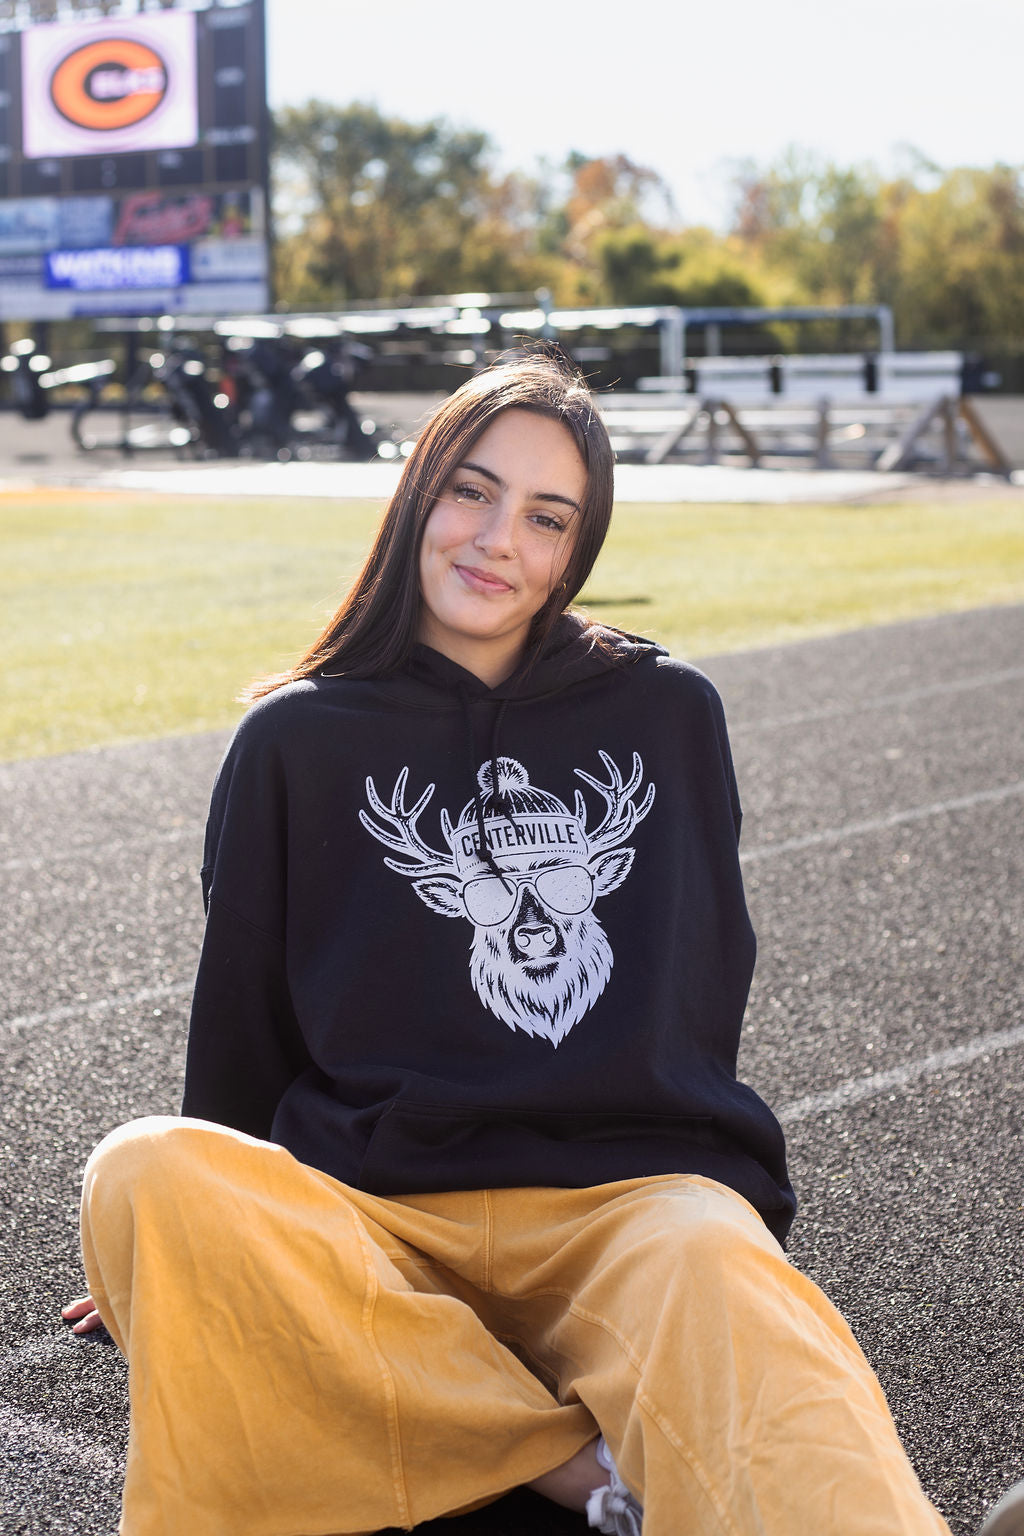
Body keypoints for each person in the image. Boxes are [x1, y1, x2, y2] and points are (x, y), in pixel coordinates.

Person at [63, 352, 1020, 1536]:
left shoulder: (667, 712)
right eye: (471, 491)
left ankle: (499, 1424)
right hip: (377, 1218)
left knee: (725, 1279)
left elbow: (696, 979)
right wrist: (185, 1257)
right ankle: (577, 1464)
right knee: (144, 1170)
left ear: (576, 548)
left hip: (620, 1202)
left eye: (545, 516)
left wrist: (692, 1183)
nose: (497, 540)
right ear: (418, 493)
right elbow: (242, 1031)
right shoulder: (291, 742)